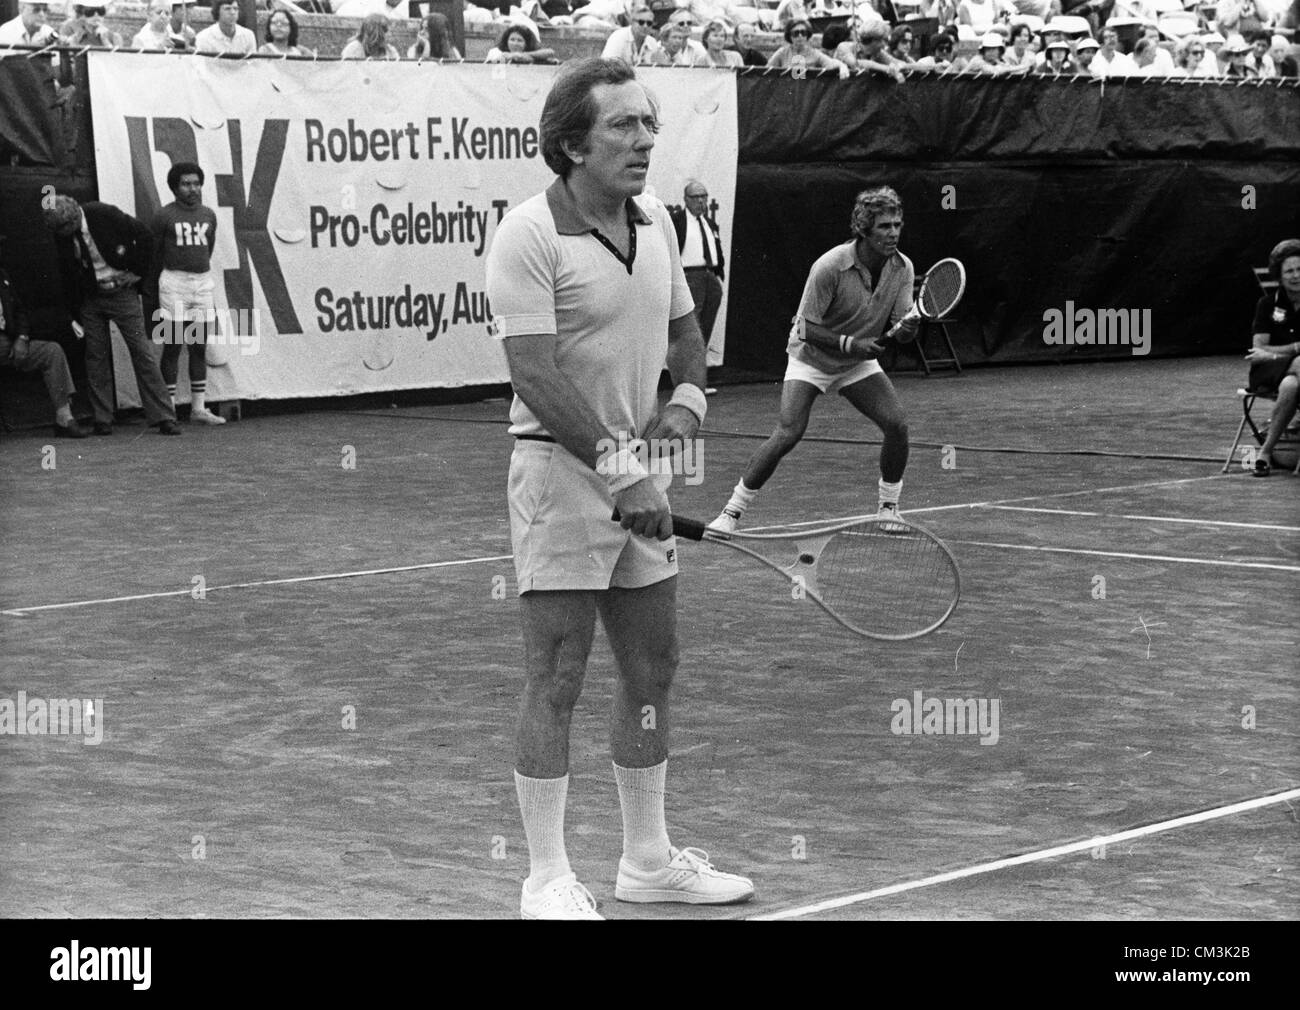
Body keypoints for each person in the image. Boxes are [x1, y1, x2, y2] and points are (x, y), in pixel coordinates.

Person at [483, 57, 753, 919]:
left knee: (653, 668)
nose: (645, 141)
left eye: (649, 124)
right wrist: (620, 468)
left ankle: (646, 860)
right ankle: (546, 878)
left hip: (641, 473)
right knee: (557, 673)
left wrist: (686, 404)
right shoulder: (527, 234)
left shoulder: (659, 226)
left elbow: (686, 337)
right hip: (559, 478)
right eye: (624, 127)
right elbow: (533, 374)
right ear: (571, 142)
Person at [711, 187, 917, 533]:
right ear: (864, 229)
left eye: (897, 224)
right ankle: (730, 514)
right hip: (811, 358)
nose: (893, 232)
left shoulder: (902, 267)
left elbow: (903, 328)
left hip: (855, 364)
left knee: (897, 425)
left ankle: (888, 508)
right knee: (789, 432)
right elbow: (803, 326)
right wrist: (851, 344)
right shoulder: (830, 266)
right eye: (884, 226)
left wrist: (908, 328)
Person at [43, 195, 180, 436]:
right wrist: (75, 310)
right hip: (90, 297)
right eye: (59, 230)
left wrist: (137, 272)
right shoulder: (61, 232)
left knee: (141, 351)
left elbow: (146, 237)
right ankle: (102, 418)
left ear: (76, 215)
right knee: (96, 356)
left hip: (121, 293)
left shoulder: (104, 213)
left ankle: (164, 416)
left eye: (67, 228)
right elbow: (65, 271)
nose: (64, 234)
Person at [151, 162, 225, 425]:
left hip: (202, 282)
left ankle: (198, 408)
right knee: (172, 346)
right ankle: (167, 411)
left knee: (198, 346)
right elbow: (156, 253)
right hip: (175, 282)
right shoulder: (164, 216)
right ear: (174, 187)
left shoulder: (208, 214)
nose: (192, 189)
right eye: (186, 184)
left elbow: (208, 248)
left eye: (196, 183)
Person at [0, 266, 88, 438]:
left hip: (8, 343)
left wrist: (23, 337)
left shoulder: (1, 274)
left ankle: (64, 417)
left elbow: (19, 310)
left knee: (51, 352)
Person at [1246, 239, 1300, 476]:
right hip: (1269, 370)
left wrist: (1278, 350)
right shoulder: (1267, 304)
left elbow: (1268, 349)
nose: (1296, 275)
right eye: (1289, 270)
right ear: (1279, 274)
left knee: (1291, 384)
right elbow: (1259, 352)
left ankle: (1265, 452)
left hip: (1292, 375)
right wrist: (1296, 347)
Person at [670, 180, 726, 364]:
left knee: (706, 325)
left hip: (710, 276)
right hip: (690, 276)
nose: (701, 201)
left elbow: (716, 249)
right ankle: (688, 375)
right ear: (686, 199)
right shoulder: (677, 221)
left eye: (704, 196)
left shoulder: (709, 223)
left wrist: (717, 273)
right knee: (692, 327)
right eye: (696, 197)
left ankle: (698, 374)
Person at [769, 18, 850, 76]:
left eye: (803, 33)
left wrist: (842, 66)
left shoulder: (814, 53)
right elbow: (766, 70)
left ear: (807, 35)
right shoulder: (782, 53)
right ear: (789, 36)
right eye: (796, 33)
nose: (800, 36)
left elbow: (831, 63)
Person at [486, 22, 558, 62]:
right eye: (512, 40)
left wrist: (519, 55)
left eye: (519, 40)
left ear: (526, 44)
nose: (515, 43)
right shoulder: (495, 52)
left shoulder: (529, 54)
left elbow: (550, 52)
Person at [58, 3, 123, 47]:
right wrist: (75, 39)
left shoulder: (114, 36)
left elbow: (116, 60)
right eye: (90, 11)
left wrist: (105, 40)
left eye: (101, 11)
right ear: (81, 13)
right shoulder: (69, 28)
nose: (96, 15)